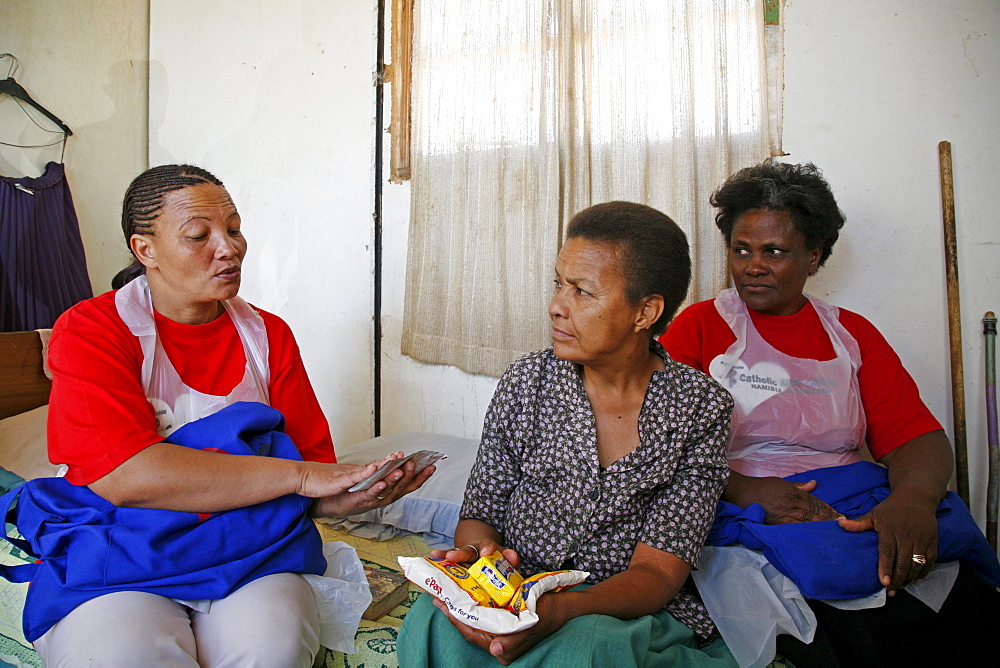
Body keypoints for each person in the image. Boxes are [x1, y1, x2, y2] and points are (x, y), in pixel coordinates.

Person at [31, 164, 434, 666]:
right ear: (145, 250)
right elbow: (125, 475)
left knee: (271, 647)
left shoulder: (268, 336)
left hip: (249, 550)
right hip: (123, 550)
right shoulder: (94, 330)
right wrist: (304, 477)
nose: (228, 248)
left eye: (234, 229)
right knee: (121, 654)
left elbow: (305, 483)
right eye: (199, 235)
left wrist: (348, 501)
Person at [660, 160, 1000, 667]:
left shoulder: (851, 335)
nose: (754, 265)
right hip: (740, 507)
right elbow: (656, 437)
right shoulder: (700, 327)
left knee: (955, 595)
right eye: (742, 249)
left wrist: (911, 501)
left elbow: (918, 439)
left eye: (775, 251)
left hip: (846, 503)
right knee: (829, 630)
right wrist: (744, 489)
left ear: (813, 256)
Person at [398, 202, 737, 666]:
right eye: (558, 283)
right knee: (434, 620)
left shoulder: (700, 409)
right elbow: (481, 512)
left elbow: (658, 572)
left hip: (615, 605)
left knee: (589, 649)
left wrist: (563, 610)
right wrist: (480, 563)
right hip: (516, 590)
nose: (557, 306)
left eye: (582, 292)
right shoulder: (527, 382)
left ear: (646, 312)